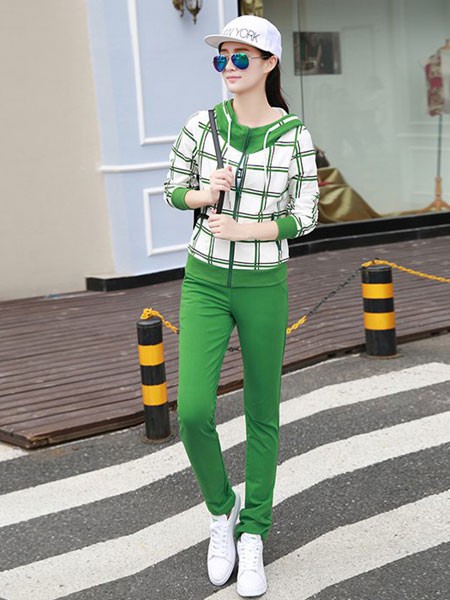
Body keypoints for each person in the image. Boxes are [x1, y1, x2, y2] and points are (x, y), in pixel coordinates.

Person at [163, 14, 319, 598]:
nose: (228, 68)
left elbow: (306, 215)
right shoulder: (202, 126)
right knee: (192, 411)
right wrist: (203, 193)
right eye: (221, 58)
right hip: (203, 280)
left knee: (261, 412)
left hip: (263, 284)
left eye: (240, 57)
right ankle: (220, 510)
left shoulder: (295, 136)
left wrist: (248, 228)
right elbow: (173, 188)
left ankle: (253, 531)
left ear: (269, 64)